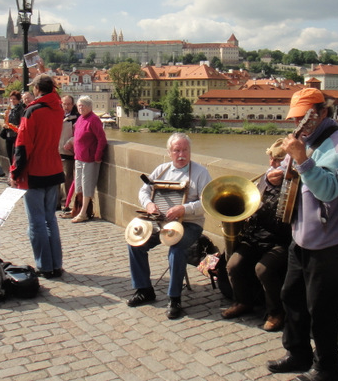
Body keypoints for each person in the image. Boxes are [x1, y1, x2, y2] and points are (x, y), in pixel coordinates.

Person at [266, 87, 338, 381]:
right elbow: (292, 167)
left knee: (321, 308)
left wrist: (301, 159)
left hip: (330, 240)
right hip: (303, 235)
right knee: (291, 295)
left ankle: (328, 367)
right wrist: (279, 172)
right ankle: (298, 354)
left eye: (303, 117)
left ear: (321, 113)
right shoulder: (309, 139)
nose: (298, 124)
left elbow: (328, 191)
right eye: (295, 118)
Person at [127, 133, 212, 320]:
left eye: (185, 150)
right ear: (169, 152)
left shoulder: (200, 173)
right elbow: (144, 190)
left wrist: (184, 208)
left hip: (189, 224)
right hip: (161, 222)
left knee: (177, 248)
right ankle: (144, 290)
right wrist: (149, 204)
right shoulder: (161, 170)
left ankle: (174, 298)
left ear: (190, 151)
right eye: (176, 150)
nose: (181, 154)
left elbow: (207, 202)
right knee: (135, 242)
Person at [221, 140, 292, 332]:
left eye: (277, 161)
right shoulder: (266, 178)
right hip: (257, 236)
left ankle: (276, 312)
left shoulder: (297, 183)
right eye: (270, 159)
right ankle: (243, 301)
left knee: (263, 269)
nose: (271, 165)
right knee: (233, 264)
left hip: (281, 240)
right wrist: (267, 183)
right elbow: (251, 202)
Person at [10, 74, 65, 278]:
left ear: (36, 89)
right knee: (50, 219)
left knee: (36, 222)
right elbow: (55, 94)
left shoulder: (32, 111)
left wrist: (15, 172)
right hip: (54, 169)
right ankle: (56, 264)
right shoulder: (58, 108)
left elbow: (23, 145)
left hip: (34, 171)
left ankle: (44, 266)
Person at [70, 96, 107, 223]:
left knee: (87, 186)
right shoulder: (80, 118)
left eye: (83, 105)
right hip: (79, 157)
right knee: (78, 185)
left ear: (90, 107)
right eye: (79, 106)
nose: (80, 108)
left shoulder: (94, 120)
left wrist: (97, 156)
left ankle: (84, 212)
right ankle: (77, 209)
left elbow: (102, 139)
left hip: (89, 159)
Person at [57, 94, 79, 213]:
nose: (66, 106)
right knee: (56, 178)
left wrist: (71, 142)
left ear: (72, 105)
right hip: (56, 151)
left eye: (68, 104)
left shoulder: (77, 117)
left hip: (68, 152)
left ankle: (65, 202)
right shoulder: (57, 115)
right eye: (64, 104)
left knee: (67, 177)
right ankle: (56, 201)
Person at [3, 91, 24, 164]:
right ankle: (11, 169)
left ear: (18, 99)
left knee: (15, 154)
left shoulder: (20, 109)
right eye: (11, 99)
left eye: (14, 99)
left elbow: (22, 123)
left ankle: (14, 170)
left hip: (16, 135)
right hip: (9, 134)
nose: (12, 101)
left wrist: (12, 125)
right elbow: (7, 121)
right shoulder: (10, 109)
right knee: (9, 154)